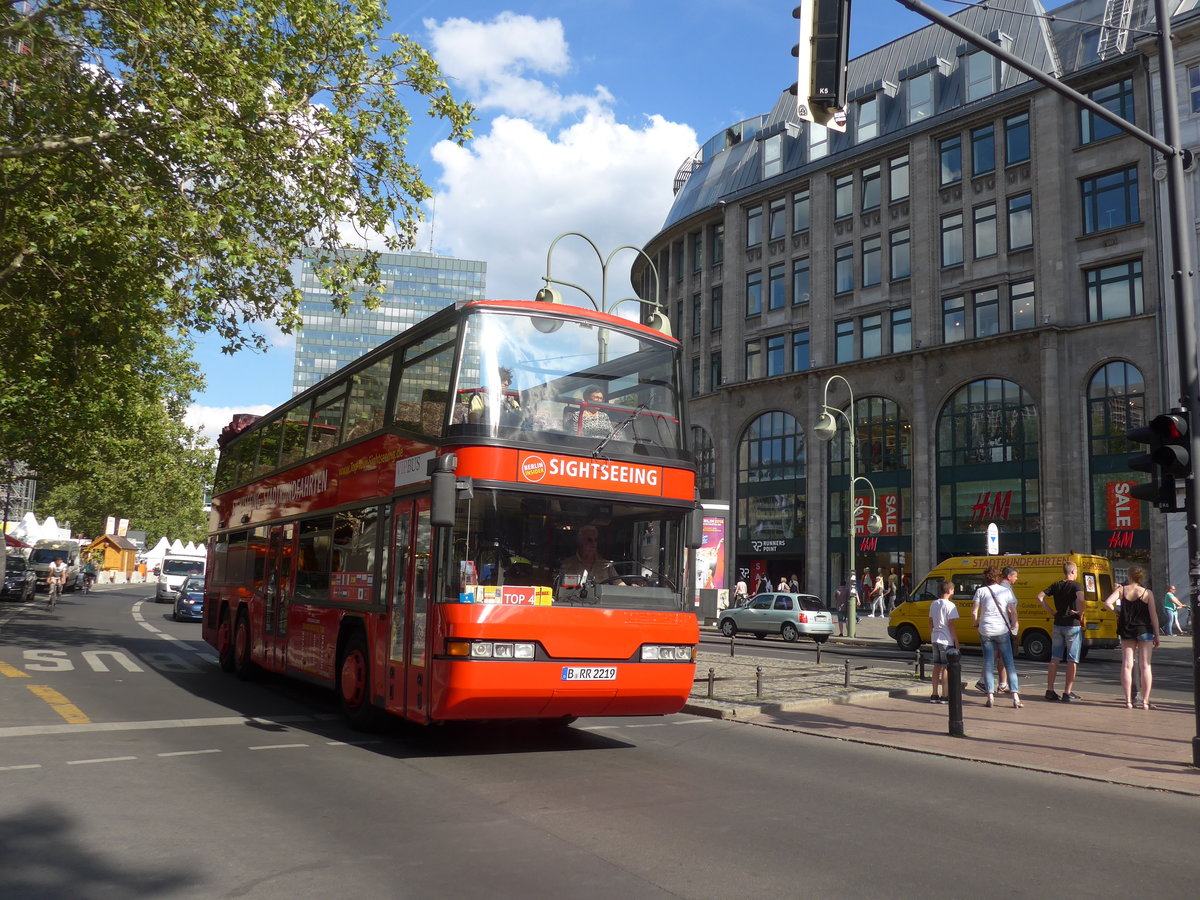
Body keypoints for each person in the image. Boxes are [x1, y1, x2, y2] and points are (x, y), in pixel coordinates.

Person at [1104, 566, 1160, 709]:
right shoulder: (1147, 593)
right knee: (1145, 666)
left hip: (1126, 630)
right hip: (1144, 629)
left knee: (1127, 665)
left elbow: (1107, 602)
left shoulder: (1122, 590)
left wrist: (1118, 612)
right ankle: (1145, 701)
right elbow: (1153, 615)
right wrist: (1157, 634)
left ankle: (1128, 700)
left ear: (1129, 576)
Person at [972, 564, 1022, 709]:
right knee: (1009, 663)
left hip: (985, 630)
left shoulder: (980, 591)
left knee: (988, 663)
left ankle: (990, 696)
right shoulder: (1005, 591)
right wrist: (1014, 624)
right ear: (998, 577)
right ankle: (1015, 697)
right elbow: (1012, 611)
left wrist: (976, 624)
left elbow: (974, 612)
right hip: (1001, 630)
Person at [1036, 561, 1085, 702]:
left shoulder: (1056, 585)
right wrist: (1080, 613)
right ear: (1073, 572)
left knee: (1054, 659)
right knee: (1072, 660)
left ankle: (1050, 690)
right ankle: (1067, 692)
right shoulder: (1076, 585)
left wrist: (1051, 611)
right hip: (1072, 625)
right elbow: (1082, 599)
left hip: (1058, 624)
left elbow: (1039, 597)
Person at [928, 579, 960, 704]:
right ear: (949, 590)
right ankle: (945, 695)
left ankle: (934, 694)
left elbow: (930, 622)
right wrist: (956, 640)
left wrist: (933, 633)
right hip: (946, 639)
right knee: (946, 667)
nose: (953, 591)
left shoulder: (933, 604)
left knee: (936, 666)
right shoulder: (950, 605)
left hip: (935, 638)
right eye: (953, 589)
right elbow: (951, 624)